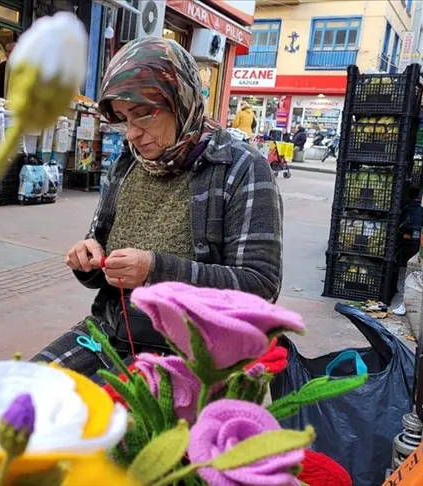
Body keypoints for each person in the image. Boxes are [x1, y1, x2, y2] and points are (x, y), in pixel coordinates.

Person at [30, 37, 283, 379]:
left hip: (196, 355)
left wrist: (155, 269)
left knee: (115, 430)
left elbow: (260, 286)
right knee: (20, 395)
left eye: (143, 115)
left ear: (180, 99)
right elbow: (100, 250)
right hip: (114, 333)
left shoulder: (241, 167)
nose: (132, 134)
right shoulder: (127, 164)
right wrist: (88, 259)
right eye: (123, 119)